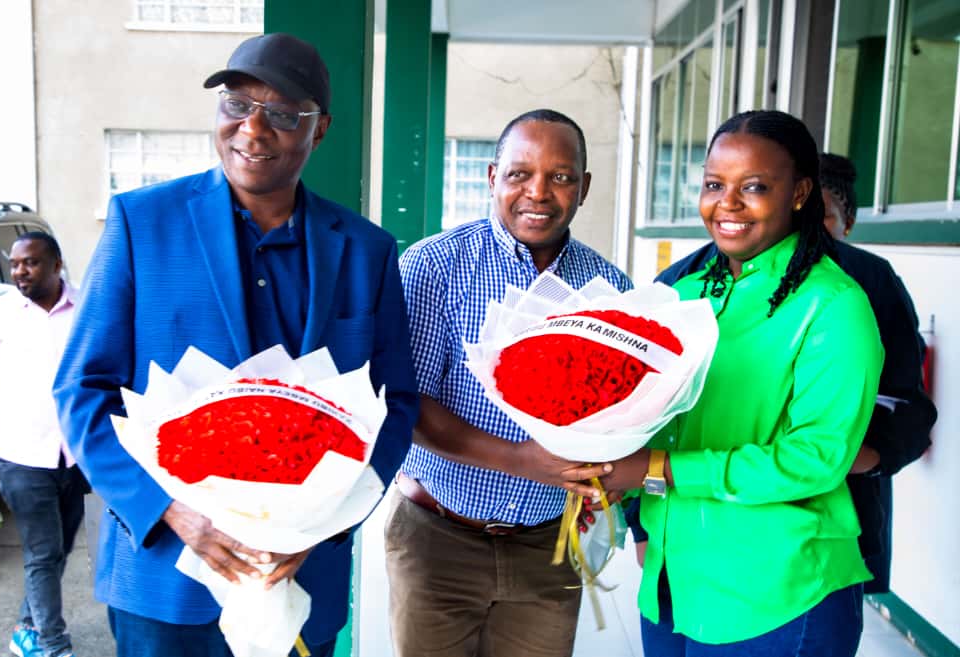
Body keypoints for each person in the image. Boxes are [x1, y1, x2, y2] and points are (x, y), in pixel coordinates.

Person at [52, 33, 418, 657]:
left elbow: (397, 403)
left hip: (302, 576)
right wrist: (168, 509)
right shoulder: (142, 222)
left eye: (282, 114)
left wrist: (330, 523)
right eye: (237, 104)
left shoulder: (367, 250)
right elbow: (82, 390)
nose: (253, 128)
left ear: (320, 129)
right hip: (166, 578)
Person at [586, 110, 884, 656]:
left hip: (777, 594)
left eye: (754, 187)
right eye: (714, 185)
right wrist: (611, 471)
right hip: (674, 584)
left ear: (799, 194)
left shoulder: (834, 306)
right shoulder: (685, 294)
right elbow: (661, 421)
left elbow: (816, 459)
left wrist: (658, 469)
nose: (727, 204)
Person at [387, 109, 631, 657]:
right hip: (438, 541)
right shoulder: (434, 265)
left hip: (549, 546)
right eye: (520, 174)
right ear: (493, 177)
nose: (538, 193)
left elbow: (616, 409)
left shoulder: (610, 288)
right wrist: (523, 459)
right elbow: (408, 403)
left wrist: (611, 466)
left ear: (585, 186)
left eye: (561, 176)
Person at [640, 152, 937, 593]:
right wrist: (641, 523)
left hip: (814, 534)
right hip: (689, 530)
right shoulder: (684, 282)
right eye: (715, 185)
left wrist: (838, 454)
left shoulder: (855, 285)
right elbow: (645, 414)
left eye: (823, 216)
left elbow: (905, 405)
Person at [0, 232, 86, 657]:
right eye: (14, 264)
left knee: (60, 548)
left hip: (74, 454)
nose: (19, 272)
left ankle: (28, 627)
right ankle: (52, 644)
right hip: (19, 453)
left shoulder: (87, 307)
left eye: (30, 262)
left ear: (56, 264)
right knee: (43, 551)